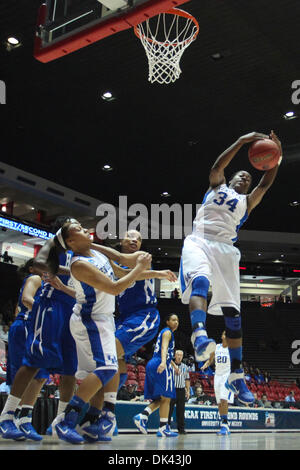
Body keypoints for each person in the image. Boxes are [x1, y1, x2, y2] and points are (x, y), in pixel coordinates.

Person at [179, 130, 282, 405]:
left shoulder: (247, 202)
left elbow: (265, 185)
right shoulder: (216, 187)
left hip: (225, 249)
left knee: (233, 315)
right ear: (231, 178)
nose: (245, 178)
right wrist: (241, 142)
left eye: (248, 178)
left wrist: (277, 158)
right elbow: (217, 166)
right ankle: (199, 334)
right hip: (200, 240)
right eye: (241, 175)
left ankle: (237, 375)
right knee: (199, 279)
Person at [39, 219, 152, 444]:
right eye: (79, 230)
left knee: (101, 375)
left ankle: (89, 423)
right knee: (108, 367)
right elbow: (114, 287)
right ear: (71, 242)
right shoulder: (78, 263)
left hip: (104, 319)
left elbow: (120, 267)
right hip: (90, 320)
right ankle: (65, 421)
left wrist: (152, 270)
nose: (85, 230)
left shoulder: (95, 252)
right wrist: (139, 267)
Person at [98, 229, 177, 437]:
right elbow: (116, 270)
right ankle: (108, 415)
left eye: (139, 238)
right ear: (121, 240)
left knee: (110, 354)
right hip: (123, 317)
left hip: (144, 315)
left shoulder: (142, 258)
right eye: (130, 236)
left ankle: (104, 413)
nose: (135, 240)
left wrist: (95, 248)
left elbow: (123, 273)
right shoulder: (115, 262)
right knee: (116, 363)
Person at [0, 259, 49, 441]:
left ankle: (24, 418)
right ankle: (6, 418)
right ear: (32, 268)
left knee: (42, 376)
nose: (47, 268)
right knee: (26, 373)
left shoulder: (49, 284)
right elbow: (27, 299)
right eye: (43, 265)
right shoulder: (35, 278)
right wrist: (47, 313)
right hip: (26, 327)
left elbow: (15, 310)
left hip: (36, 328)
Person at [133, 314, 179, 437]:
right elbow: (164, 348)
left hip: (153, 363)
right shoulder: (167, 332)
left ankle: (143, 416)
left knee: (161, 398)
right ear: (167, 321)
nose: (176, 322)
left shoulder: (164, 332)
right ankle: (163, 428)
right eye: (173, 320)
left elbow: (164, 350)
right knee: (167, 398)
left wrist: (173, 365)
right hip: (160, 363)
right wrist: (164, 362)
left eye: (177, 320)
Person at [201, 331, 234, 435]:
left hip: (227, 376)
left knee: (224, 400)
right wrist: (205, 365)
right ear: (222, 336)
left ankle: (225, 425)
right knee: (219, 402)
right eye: (225, 334)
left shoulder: (232, 349)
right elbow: (210, 359)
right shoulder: (217, 347)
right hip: (217, 376)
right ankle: (224, 424)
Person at [168, 349, 190, 434]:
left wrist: (187, 391)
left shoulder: (185, 367)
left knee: (181, 410)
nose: (180, 357)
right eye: (178, 355)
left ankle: (181, 429)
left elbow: (187, 379)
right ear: (175, 356)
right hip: (172, 389)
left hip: (181, 390)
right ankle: (167, 426)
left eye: (181, 355)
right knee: (169, 409)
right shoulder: (170, 365)